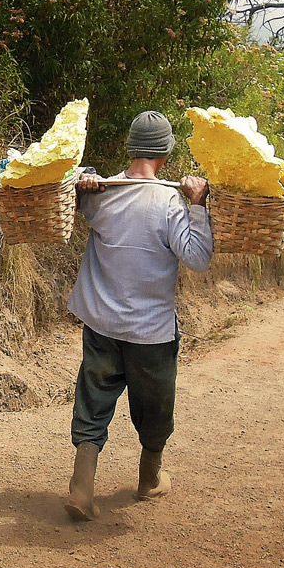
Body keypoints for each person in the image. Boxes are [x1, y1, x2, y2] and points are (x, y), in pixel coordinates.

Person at [63, 110, 213, 521]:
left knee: (93, 399)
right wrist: (197, 204)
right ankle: (149, 480)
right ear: (165, 155)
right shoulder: (169, 202)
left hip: (102, 325)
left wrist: (87, 178)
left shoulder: (104, 192)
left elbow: (78, 194)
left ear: (130, 149)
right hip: (151, 333)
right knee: (155, 405)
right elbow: (198, 259)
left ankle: (81, 487)